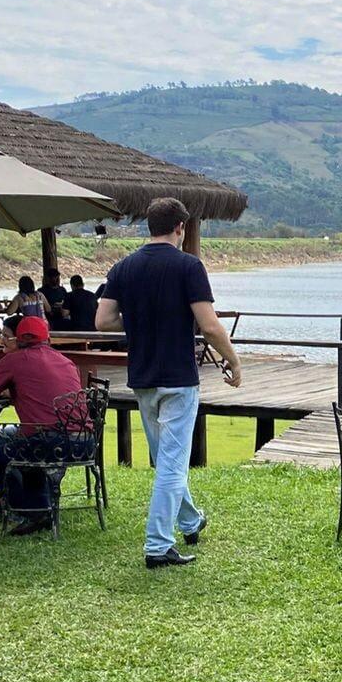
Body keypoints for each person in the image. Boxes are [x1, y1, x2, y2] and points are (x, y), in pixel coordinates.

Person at [97, 198, 241, 569]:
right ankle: (158, 544)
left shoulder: (124, 267)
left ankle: (191, 520)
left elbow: (104, 321)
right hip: (178, 379)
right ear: (180, 227)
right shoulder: (189, 267)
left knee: (166, 459)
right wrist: (233, 359)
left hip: (142, 377)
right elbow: (209, 326)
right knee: (173, 464)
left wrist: (141, 322)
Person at [0, 314, 84, 535]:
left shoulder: (14, 360)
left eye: (5, 336)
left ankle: (31, 508)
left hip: (48, 440)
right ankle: (25, 502)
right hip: (83, 441)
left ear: (18, 340)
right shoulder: (64, 360)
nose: (2, 340)